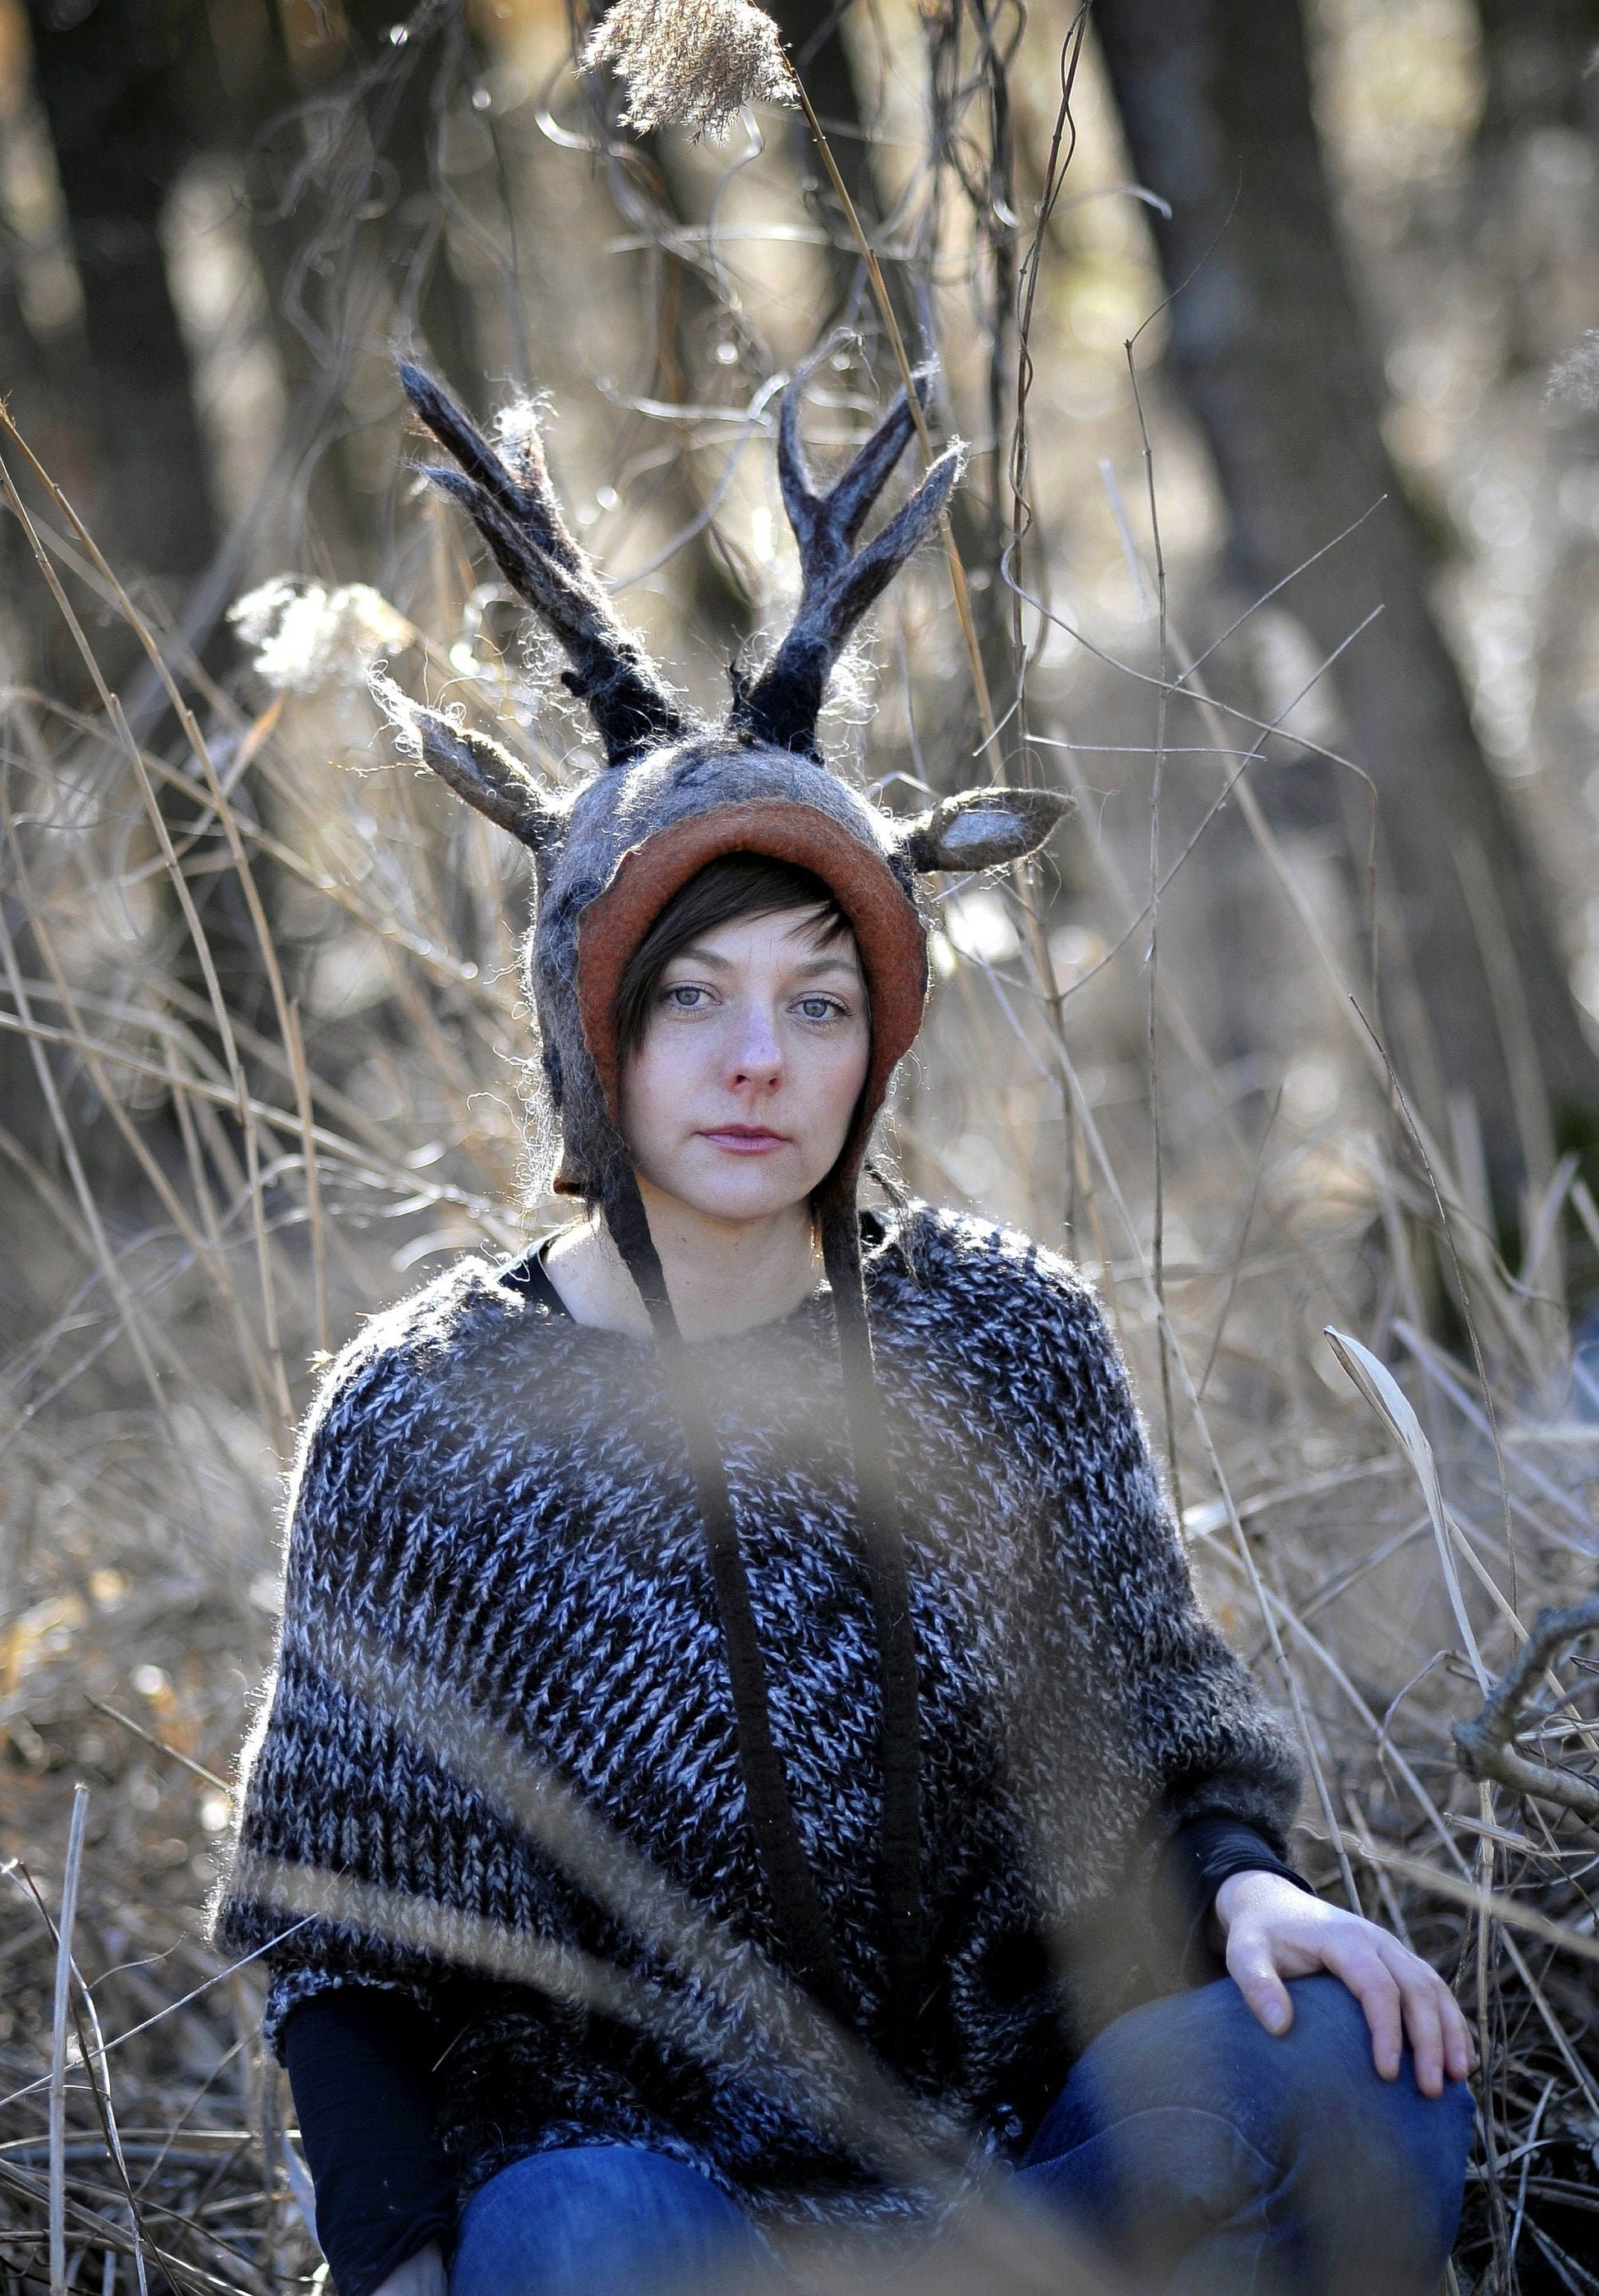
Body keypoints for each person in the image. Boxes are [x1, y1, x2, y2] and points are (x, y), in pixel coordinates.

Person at [210, 364, 1473, 2296]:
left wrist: (1263, 1893)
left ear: (876, 1039)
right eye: (692, 994)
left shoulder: (1003, 1341)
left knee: (1365, 2073)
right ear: (589, 1028)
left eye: (816, 1003)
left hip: (1031, 2179)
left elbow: (1162, 1759)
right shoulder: (422, 1423)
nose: (754, 1061)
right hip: (662, 2221)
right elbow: (344, 1946)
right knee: (583, 2235)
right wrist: (388, 2260)